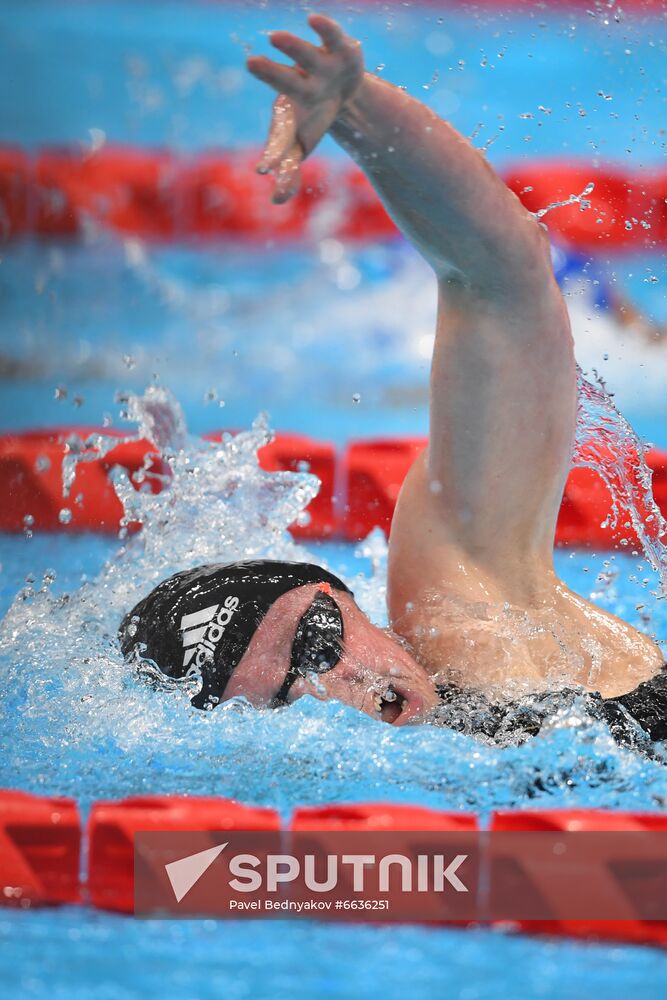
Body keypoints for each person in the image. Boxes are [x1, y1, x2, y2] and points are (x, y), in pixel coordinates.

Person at [120, 14, 667, 746]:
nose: (336, 681)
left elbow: (498, 279)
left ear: (343, 600)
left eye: (318, 643)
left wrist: (357, 111)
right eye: (289, 696)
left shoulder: (477, 615)